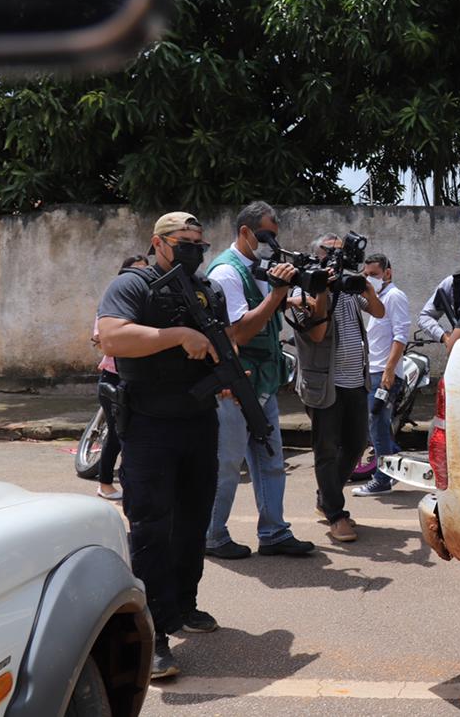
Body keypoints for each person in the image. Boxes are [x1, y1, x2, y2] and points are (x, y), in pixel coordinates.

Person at [96, 212, 225, 679]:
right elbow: (111, 336)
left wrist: (226, 375)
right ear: (158, 242)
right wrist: (177, 335)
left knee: (193, 521)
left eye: (199, 242)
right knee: (152, 526)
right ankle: (153, 636)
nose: (193, 248)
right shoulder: (134, 285)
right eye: (183, 241)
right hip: (149, 425)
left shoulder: (209, 288)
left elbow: (221, 342)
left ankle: (184, 605)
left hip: (198, 421)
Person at [203, 202, 314, 560]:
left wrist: (293, 299)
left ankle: (274, 532)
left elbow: (264, 308)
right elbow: (241, 331)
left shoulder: (257, 269)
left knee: (270, 458)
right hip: (236, 384)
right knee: (228, 462)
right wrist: (279, 294)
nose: (270, 244)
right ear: (246, 232)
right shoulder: (226, 273)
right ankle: (212, 535)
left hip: (262, 381)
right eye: (265, 236)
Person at [291, 233, 385, 543]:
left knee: (357, 444)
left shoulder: (348, 287)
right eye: (330, 254)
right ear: (317, 256)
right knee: (327, 449)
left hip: (356, 381)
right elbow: (315, 333)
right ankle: (335, 513)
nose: (336, 259)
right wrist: (323, 290)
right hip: (325, 384)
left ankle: (326, 496)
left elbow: (379, 311)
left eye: (339, 254)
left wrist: (367, 287)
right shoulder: (304, 287)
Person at [352, 253, 410, 496]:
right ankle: (393, 464)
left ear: (388, 272)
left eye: (374, 274)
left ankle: (382, 479)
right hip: (372, 371)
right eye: (366, 275)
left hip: (383, 374)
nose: (370, 279)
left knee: (377, 425)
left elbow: (401, 336)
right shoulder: (378, 299)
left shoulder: (395, 297)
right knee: (378, 425)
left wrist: (388, 372)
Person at [91, 254, 148, 501]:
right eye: (135, 272)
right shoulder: (113, 306)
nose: (141, 277)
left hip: (140, 379)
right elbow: (101, 339)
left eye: (145, 272)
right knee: (117, 433)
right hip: (114, 378)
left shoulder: (149, 303)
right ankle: (105, 484)